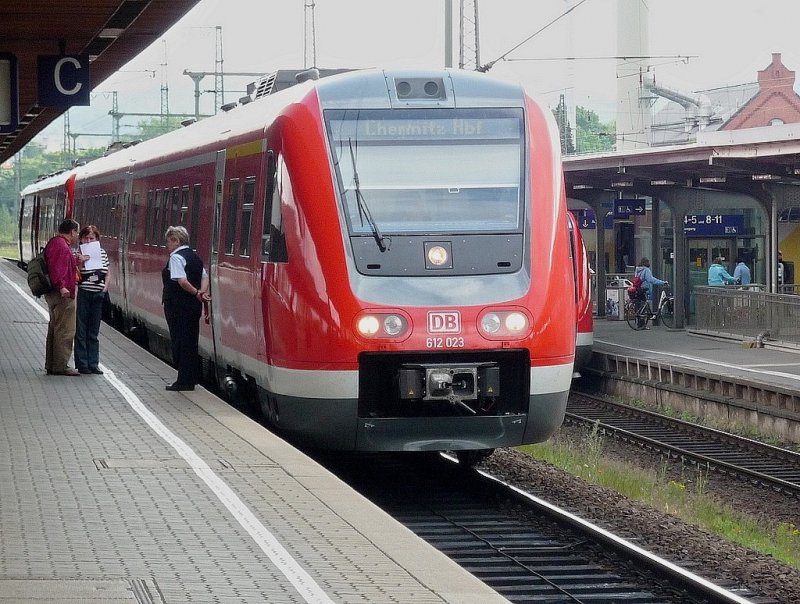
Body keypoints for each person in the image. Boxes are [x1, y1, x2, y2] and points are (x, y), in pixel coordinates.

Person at [162, 226, 210, 391]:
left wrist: (196, 292)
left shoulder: (176, 258)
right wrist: (201, 293)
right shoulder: (194, 256)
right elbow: (205, 277)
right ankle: (191, 377)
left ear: (176, 241)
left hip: (177, 305)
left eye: (168, 242)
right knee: (191, 341)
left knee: (180, 341)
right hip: (193, 306)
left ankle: (183, 381)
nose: (167, 246)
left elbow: (181, 281)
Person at [43, 219, 83, 376]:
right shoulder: (62, 246)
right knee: (65, 330)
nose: (77, 235)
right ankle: (61, 365)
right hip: (63, 295)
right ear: (72, 231)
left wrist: (76, 261)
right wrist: (62, 287)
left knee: (55, 328)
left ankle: (52, 364)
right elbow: (57, 268)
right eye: (77, 232)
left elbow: (60, 264)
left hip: (55, 293)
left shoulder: (55, 243)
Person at [74, 225, 109, 375]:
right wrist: (80, 262)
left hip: (98, 294)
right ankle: (82, 364)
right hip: (83, 293)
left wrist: (105, 287)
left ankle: (93, 364)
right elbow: (74, 274)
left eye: (91, 238)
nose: (88, 241)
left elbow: (107, 272)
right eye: (86, 238)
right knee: (81, 329)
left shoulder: (101, 253)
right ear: (81, 239)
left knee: (93, 331)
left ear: (96, 239)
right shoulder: (77, 254)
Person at [633, 257, 667, 329]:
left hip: (638, 289)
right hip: (644, 289)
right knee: (643, 307)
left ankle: (640, 324)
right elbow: (650, 279)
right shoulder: (646, 270)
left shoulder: (637, 270)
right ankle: (642, 325)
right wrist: (662, 282)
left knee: (640, 306)